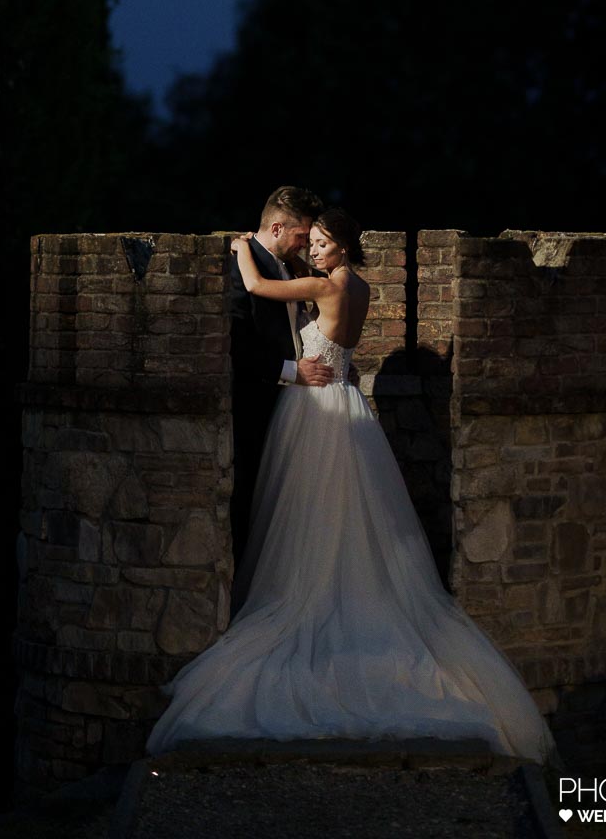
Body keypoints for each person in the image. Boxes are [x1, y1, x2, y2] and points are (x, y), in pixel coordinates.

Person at [146, 207, 559, 764]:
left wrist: (242, 247)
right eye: (310, 242)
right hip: (346, 399)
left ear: (341, 245)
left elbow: (257, 287)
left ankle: (311, 597)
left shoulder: (326, 284)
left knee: (312, 510)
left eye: (320, 243)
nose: (312, 250)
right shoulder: (359, 286)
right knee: (347, 513)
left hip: (315, 410)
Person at [227, 184, 332, 570]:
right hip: (256, 401)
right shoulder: (240, 264)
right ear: (276, 229)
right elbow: (235, 340)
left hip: (293, 403)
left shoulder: (290, 267)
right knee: (251, 495)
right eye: (301, 236)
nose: (305, 245)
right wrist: (291, 371)